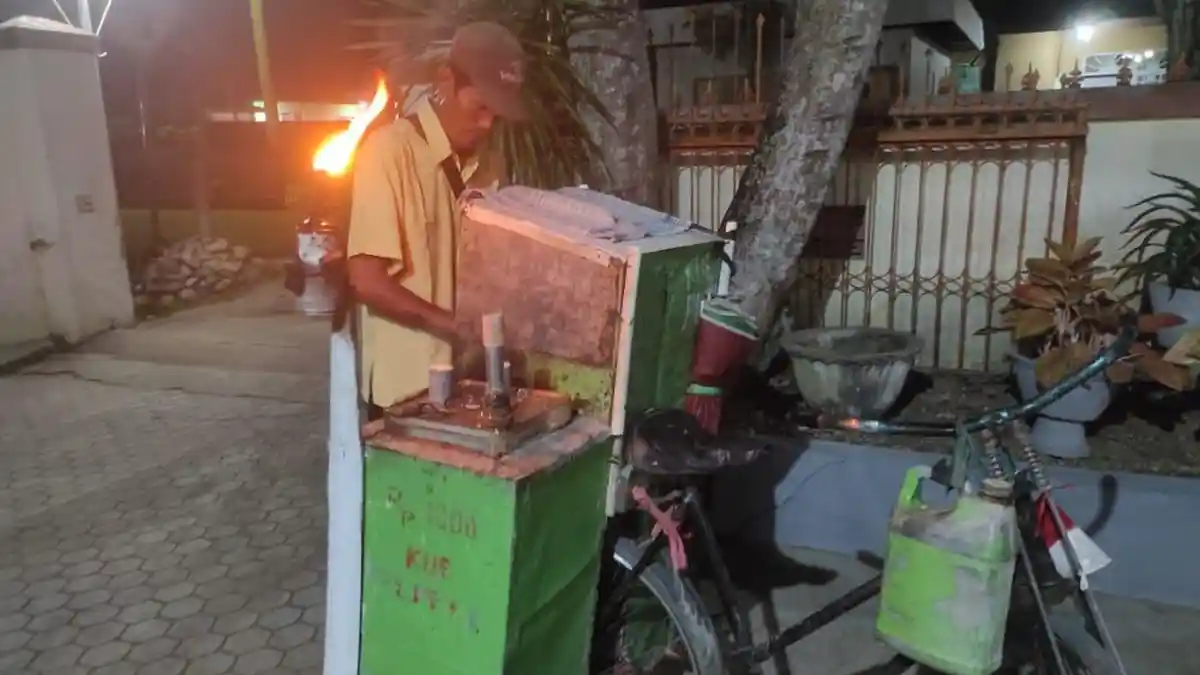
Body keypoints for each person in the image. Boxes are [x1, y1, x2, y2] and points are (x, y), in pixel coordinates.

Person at [346, 20, 529, 418]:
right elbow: (367, 280)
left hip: (469, 382)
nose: (487, 124)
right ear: (446, 80)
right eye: (480, 107)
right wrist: (454, 326)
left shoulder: (490, 163)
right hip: (406, 392)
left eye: (496, 114)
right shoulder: (388, 152)